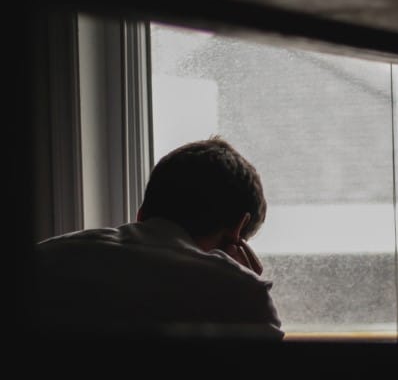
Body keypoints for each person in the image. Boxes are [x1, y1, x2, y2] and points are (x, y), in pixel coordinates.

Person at [34, 136, 284, 340]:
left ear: (141, 214)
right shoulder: (242, 297)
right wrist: (240, 279)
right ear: (237, 232)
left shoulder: (40, 261)